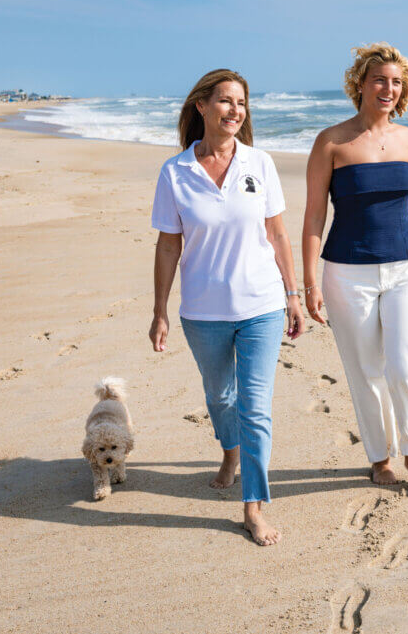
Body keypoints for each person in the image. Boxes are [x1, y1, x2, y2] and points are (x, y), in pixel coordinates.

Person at [150, 69, 305, 546]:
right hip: (202, 311)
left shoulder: (260, 163)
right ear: (202, 106)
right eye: (225, 101)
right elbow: (167, 245)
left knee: (256, 406)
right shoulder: (175, 172)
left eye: (241, 103)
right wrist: (159, 311)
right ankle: (230, 451)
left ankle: (253, 506)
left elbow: (277, 234)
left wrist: (293, 296)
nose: (235, 110)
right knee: (220, 397)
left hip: (261, 305)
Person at [302, 43, 408, 494]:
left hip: (407, 267)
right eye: (380, 80)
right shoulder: (331, 142)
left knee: (407, 364)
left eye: (396, 82)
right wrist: (308, 281)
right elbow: (314, 216)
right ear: (361, 84)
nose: (388, 88)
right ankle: (380, 457)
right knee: (366, 370)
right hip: (347, 273)